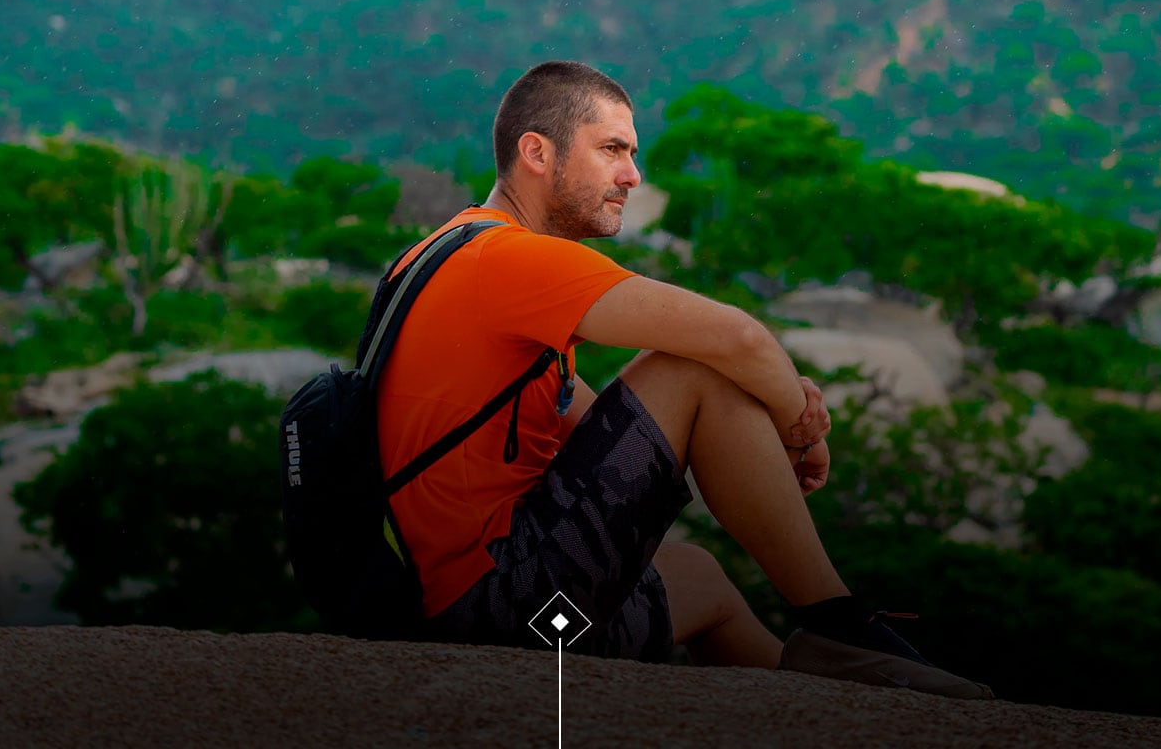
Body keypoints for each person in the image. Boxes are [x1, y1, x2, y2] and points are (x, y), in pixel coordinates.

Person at [375, 60, 992, 699]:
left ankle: (837, 699)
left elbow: (600, 432)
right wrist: (802, 428)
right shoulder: (507, 257)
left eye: (632, 154)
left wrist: (740, 436)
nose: (632, 175)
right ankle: (841, 626)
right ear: (537, 151)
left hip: (497, 611)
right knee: (693, 365)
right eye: (611, 149)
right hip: (508, 609)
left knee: (701, 581)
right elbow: (737, 338)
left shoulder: (441, 250)